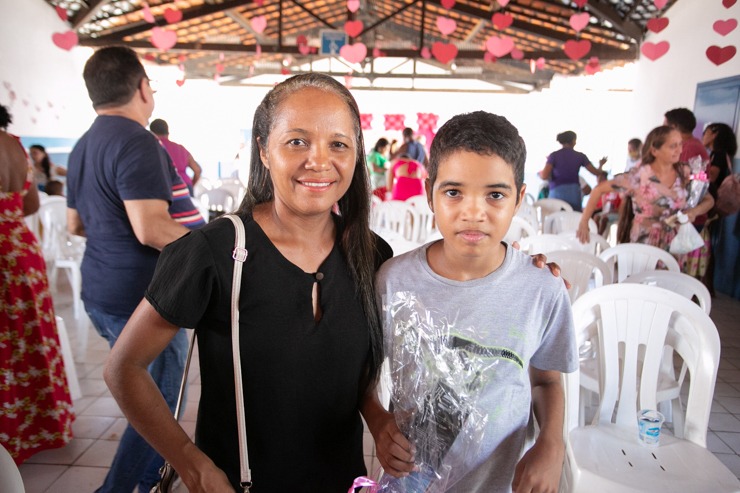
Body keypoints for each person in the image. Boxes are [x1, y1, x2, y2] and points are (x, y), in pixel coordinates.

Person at [101, 73, 395, 492]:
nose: (319, 160)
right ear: (264, 150)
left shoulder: (372, 255)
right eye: (297, 141)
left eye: (338, 144)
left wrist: (378, 418)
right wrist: (191, 463)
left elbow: (357, 370)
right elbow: (123, 368)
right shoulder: (214, 251)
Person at [365, 111, 577, 492]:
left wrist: (552, 442)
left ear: (520, 198)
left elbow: (546, 380)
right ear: (430, 193)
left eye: (495, 194)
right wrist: (379, 422)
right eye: (453, 192)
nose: (474, 212)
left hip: (499, 483)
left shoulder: (542, 289)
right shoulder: (393, 281)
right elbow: (363, 373)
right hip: (411, 482)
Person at [65, 46, 192, 493]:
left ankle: (146, 478)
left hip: (98, 290)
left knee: (147, 394)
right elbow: (151, 228)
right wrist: (213, 247)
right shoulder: (138, 141)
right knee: (156, 406)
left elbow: (75, 223)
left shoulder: (83, 145)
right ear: (142, 87)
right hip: (140, 298)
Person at [0, 104, 75, 465]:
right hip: (20, 248)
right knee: (31, 337)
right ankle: (40, 425)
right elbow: (30, 204)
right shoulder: (15, 145)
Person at [577, 126, 715, 257]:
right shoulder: (638, 176)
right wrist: (584, 222)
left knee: (669, 280)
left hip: (676, 243)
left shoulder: (685, 173)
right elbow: (598, 189)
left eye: (680, 144)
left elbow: (709, 200)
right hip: (644, 241)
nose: (679, 150)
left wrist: (693, 212)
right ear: (654, 150)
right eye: (673, 146)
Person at [538, 130, 605, 211]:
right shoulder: (580, 156)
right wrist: (601, 165)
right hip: (573, 195)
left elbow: (544, 176)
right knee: (573, 220)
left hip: (556, 194)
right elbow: (596, 172)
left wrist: (541, 174)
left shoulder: (553, 156)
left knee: (555, 219)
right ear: (573, 140)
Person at [150, 118, 202, 196]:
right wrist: (190, 184)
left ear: (151, 133)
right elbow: (197, 170)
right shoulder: (181, 148)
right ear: (168, 133)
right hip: (185, 185)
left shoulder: (152, 148)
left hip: (163, 188)